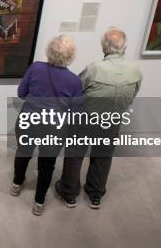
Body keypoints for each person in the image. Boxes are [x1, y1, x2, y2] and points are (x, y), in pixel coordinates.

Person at [56, 27, 142, 209]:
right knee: (103, 156)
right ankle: (95, 194)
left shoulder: (95, 68)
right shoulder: (135, 71)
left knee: (75, 154)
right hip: (113, 120)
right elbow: (132, 96)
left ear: (104, 46)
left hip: (86, 119)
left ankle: (69, 193)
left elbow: (76, 89)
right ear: (124, 47)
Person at [10, 35, 82, 216]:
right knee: (47, 163)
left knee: (23, 151)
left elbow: (21, 93)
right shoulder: (74, 81)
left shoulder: (36, 68)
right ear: (71, 56)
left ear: (50, 50)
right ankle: (39, 202)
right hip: (55, 127)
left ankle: (16, 184)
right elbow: (76, 112)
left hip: (29, 120)